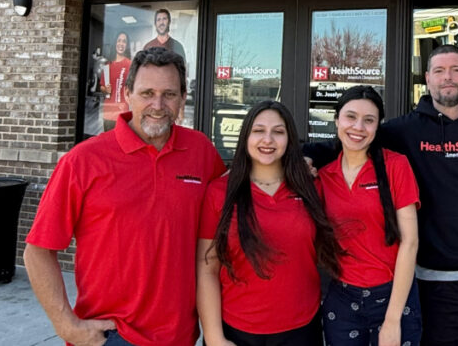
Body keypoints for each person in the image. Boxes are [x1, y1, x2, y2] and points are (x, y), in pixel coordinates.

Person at [307, 44, 458, 346]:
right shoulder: (404, 131)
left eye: (456, 70)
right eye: (439, 71)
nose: (448, 78)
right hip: (436, 288)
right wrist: (304, 154)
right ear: (427, 79)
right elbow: (352, 140)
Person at [24, 48, 225, 346]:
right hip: (111, 336)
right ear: (128, 94)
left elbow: (237, 203)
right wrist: (66, 326)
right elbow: (37, 252)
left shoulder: (201, 152)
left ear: (183, 98)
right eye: (147, 93)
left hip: (181, 337)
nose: (158, 105)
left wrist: (299, 166)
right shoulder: (83, 161)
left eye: (169, 94)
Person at [197, 100, 341, 346]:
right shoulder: (219, 191)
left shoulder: (312, 188)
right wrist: (213, 337)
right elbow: (207, 268)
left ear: (290, 139)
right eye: (259, 131)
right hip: (237, 330)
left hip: (302, 329)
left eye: (278, 132)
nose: (268, 140)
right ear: (246, 137)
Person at [317, 86, 421, 346]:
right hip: (341, 299)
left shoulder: (395, 166)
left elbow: (410, 242)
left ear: (378, 127)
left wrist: (393, 320)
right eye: (350, 117)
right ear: (337, 120)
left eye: (369, 120)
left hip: (392, 296)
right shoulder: (322, 176)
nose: (358, 127)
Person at [100, 31, 132, 131]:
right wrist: (105, 90)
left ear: (127, 45)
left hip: (123, 114)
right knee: (108, 144)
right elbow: (102, 87)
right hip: (108, 113)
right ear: (115, 43)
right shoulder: (107, 65)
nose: (121, 44)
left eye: (124, 41)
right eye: (119, 41)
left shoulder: (130, 65)